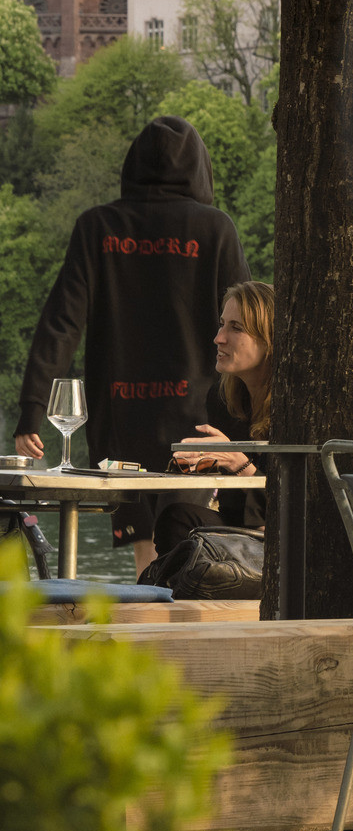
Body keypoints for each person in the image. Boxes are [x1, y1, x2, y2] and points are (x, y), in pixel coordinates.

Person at [14, 116, 250, 573]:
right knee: (190, 541)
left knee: (148, 551)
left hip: (120, 419)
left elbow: (61, 322)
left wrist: (32, 410)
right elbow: (246, 326)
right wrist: (252, 419)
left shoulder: (98, 227)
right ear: (200, 169)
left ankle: (149, 633)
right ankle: (179, 637)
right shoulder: (215, 229)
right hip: (199, 419)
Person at [150, 281, 274, 559]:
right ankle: (165, 595)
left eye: (236, 328)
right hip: (244, 532)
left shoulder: (294, 408)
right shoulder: (222, 399)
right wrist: (201, 465)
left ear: (269, 340)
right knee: (178, 518)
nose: (219, 337)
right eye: (222, 324)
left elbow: (293, 507)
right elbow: (231, 507)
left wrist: (238, 463)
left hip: (282, 540)